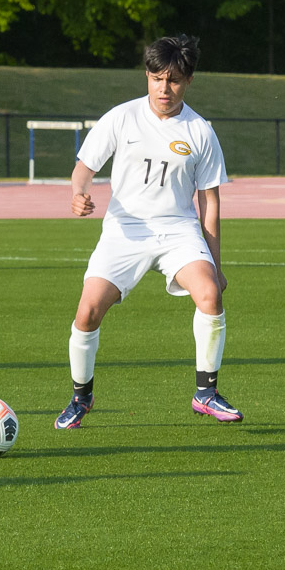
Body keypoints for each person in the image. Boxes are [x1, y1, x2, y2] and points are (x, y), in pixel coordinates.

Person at [56, 34, 242, 428]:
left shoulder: (200, 132)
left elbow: (209, 202)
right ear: (147, 76)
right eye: (156, 78)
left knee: (210, 294)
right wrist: (78, 194)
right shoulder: (121, 117)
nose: (164, 88)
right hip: (125, 231)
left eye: (173, 80)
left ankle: (205, 394)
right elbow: (84, 168)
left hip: (178, 231)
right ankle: (80, 397)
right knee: (87, 312)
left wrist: (215, 263)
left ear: (188, 81)